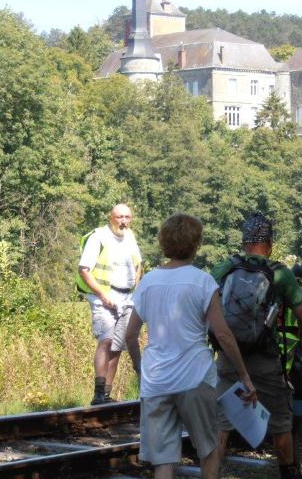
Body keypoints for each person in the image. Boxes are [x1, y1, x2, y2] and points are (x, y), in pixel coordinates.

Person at [125, 213, 256, 479]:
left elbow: (130, 335)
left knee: (163, 461)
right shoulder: (202, 281)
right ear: (196, 244)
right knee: (207, 450)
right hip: (195, 378)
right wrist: (244, 376)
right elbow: (223, 334)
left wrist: (141, 371)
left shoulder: (148, 282)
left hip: (157, 380)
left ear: (164, 243)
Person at [211, 212, 302, 479]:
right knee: (280, 420)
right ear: (269, 244)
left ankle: (211, 474)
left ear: (244, 242)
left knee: (222, 423)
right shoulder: (279, 273)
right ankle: (288, 472)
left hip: (228, 357)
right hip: (265, 359)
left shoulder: (224, 268)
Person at [78, 203, 142, 405]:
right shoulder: (99, 237)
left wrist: (136, 293)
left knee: (117, 347)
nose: (123, 221)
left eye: (127, 217)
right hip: (103, 296)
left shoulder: (130, 237)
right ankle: (97, 392)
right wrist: (102, 295)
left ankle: (106, 394)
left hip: (127, 298)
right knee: (105, 340)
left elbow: (138, 265)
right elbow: (84, 269)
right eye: (119, 217)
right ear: (110, 217)